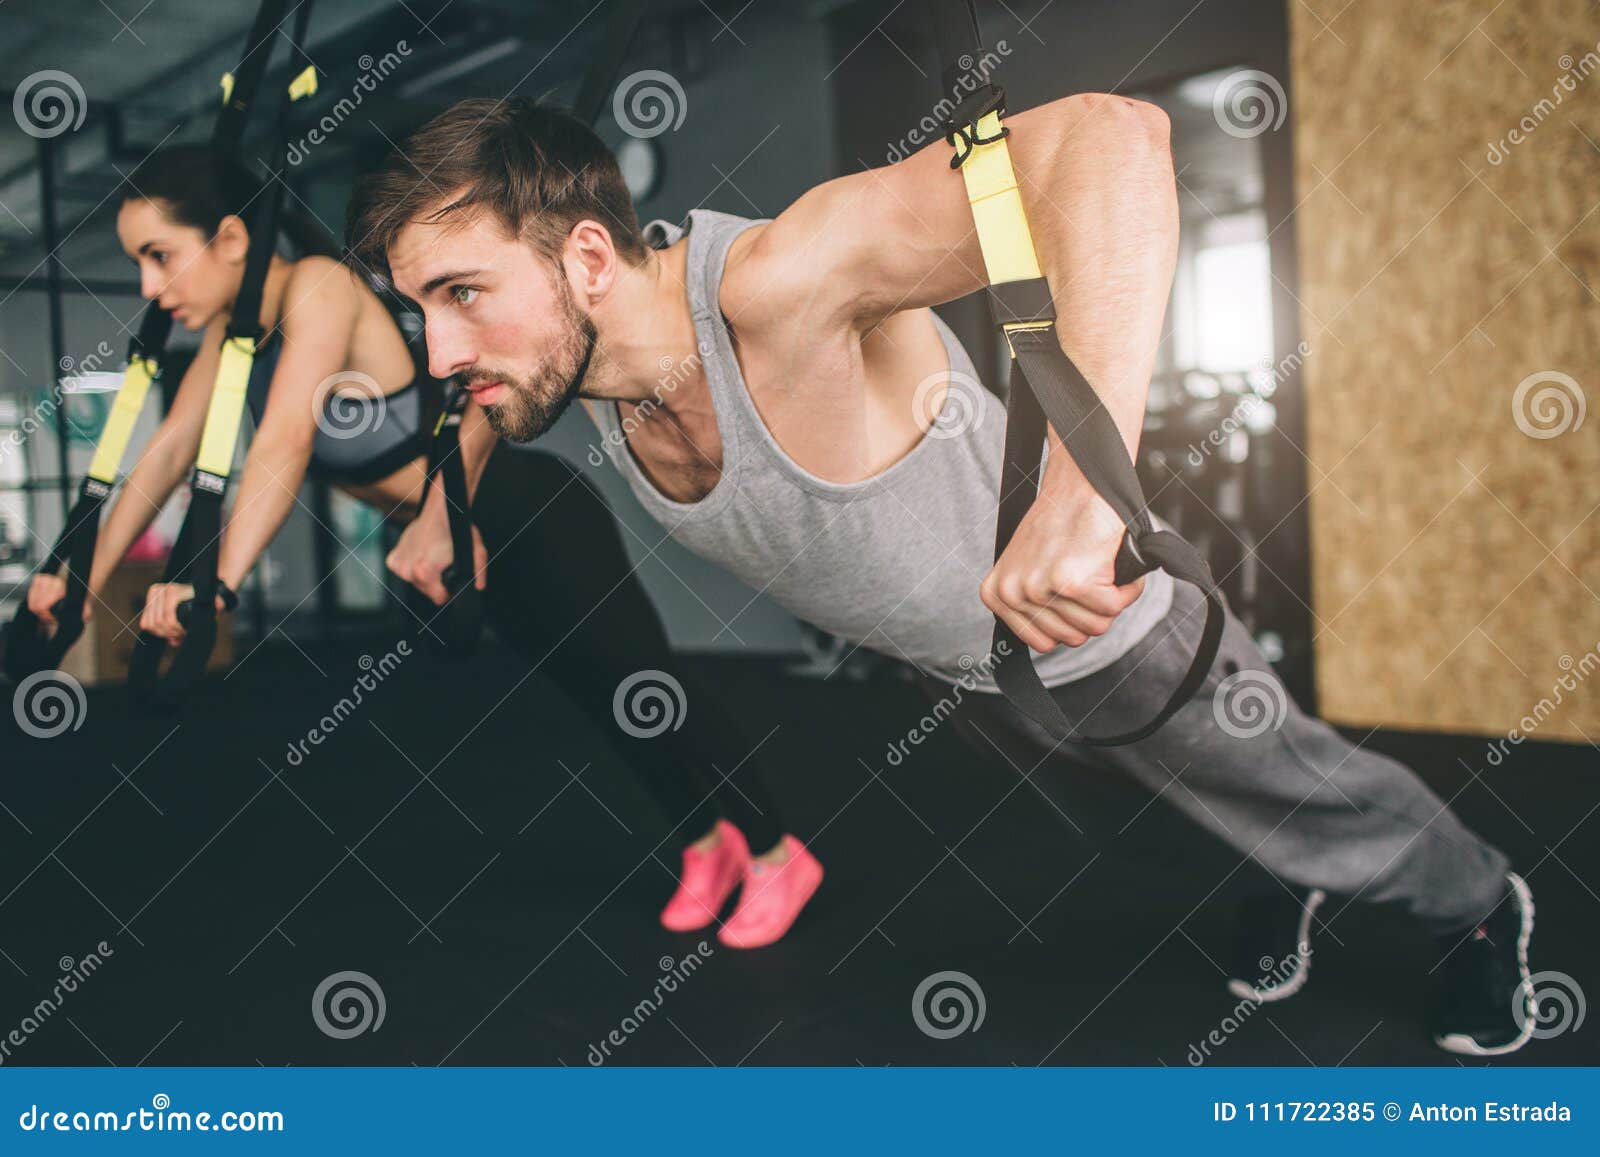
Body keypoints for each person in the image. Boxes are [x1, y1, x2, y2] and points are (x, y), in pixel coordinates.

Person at [355, 96, 1539, 1055]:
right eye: (420, 309)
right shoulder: (568, 365)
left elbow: (1114, 140)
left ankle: (1477, 903)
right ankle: (1290, 871)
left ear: (590, 257)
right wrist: (440, 516)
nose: (441, 351)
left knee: (1296, 783)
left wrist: (1087, 490)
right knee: (1181, 815)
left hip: (1109, 633)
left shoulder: (786, 281)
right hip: (970, 677)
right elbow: (481, 394)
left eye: (462, 293)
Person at [24, 145, 823, 950]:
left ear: (231, 240)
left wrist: (218, 585)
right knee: (594, 697)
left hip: (519, 510)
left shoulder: (319, 289)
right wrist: (75, 577)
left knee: (644, 681)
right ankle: (706, 841)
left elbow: (285, 439)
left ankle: (774, 850)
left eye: (159, 257)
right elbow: (161, 458)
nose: (150, 289)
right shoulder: (235, 345)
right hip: (446, 541)